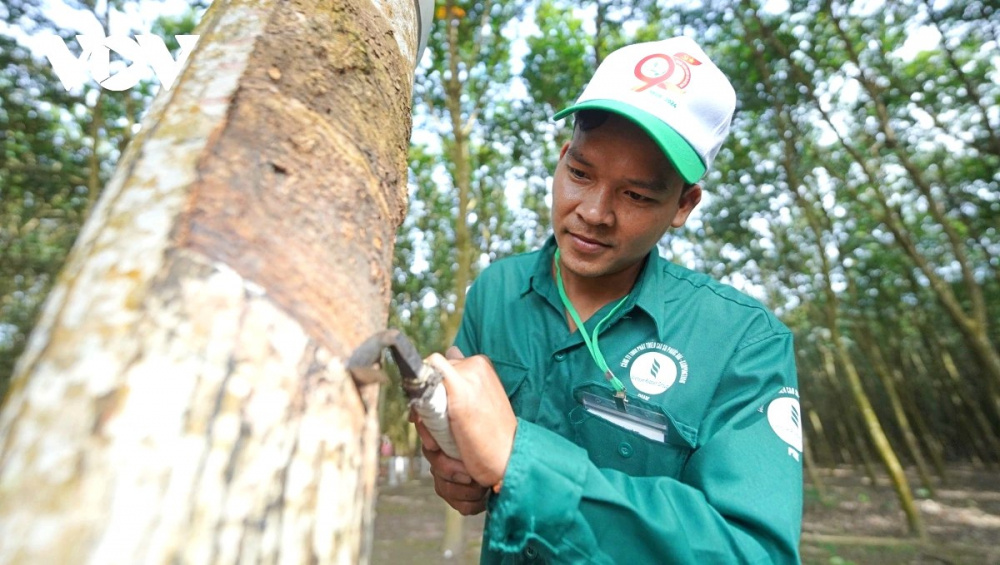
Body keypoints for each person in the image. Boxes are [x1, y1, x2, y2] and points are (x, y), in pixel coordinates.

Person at [415, 36, 803, 564]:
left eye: (637, 195)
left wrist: (519, 459)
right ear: (561, 159)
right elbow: (467, 443)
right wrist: (454, 461)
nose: (593, 212)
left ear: (684, 205)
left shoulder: (742, 341)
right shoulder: (496, 289)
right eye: (580, 174)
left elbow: (755, 553)